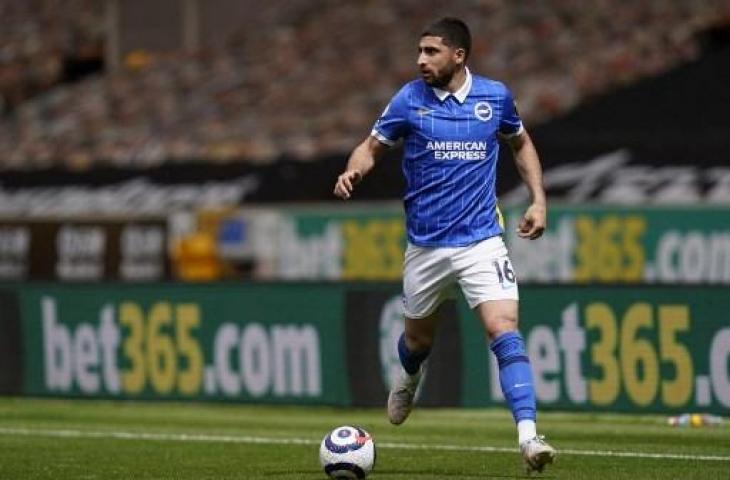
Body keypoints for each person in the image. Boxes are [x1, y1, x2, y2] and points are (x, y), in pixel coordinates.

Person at [333, 17, 556, 474]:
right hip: (427, 247)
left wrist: (538, 199)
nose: (420, 60)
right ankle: (409, 376)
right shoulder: (408, 100)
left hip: (481, 241)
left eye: (431, 52)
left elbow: (521, 143)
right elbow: (370, 147)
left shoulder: (494, 97)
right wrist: (355, 169)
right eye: (419, 51)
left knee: (504, 329)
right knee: (417, 340)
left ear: (459, 56)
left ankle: (529, 437)